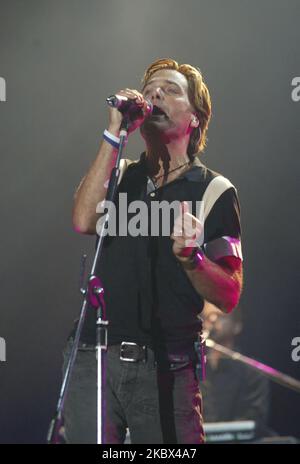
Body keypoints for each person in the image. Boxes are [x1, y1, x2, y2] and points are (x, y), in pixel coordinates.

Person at [63, 58, 243, 444]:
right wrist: (114, 132)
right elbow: (82, 220)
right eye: (149, 91)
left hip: (168, 365)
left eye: (171, 90)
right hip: (94, 358)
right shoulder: (121, 174)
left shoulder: (214, 191)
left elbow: (228, 293)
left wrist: (192, 258)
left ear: (195, 118)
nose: (155, 94)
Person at [201, 303, 271, 439]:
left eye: (220, 316)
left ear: (236, 326)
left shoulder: (252, 371)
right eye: (207, 317)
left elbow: (253, 419)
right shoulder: (191, 369)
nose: (213, 320)